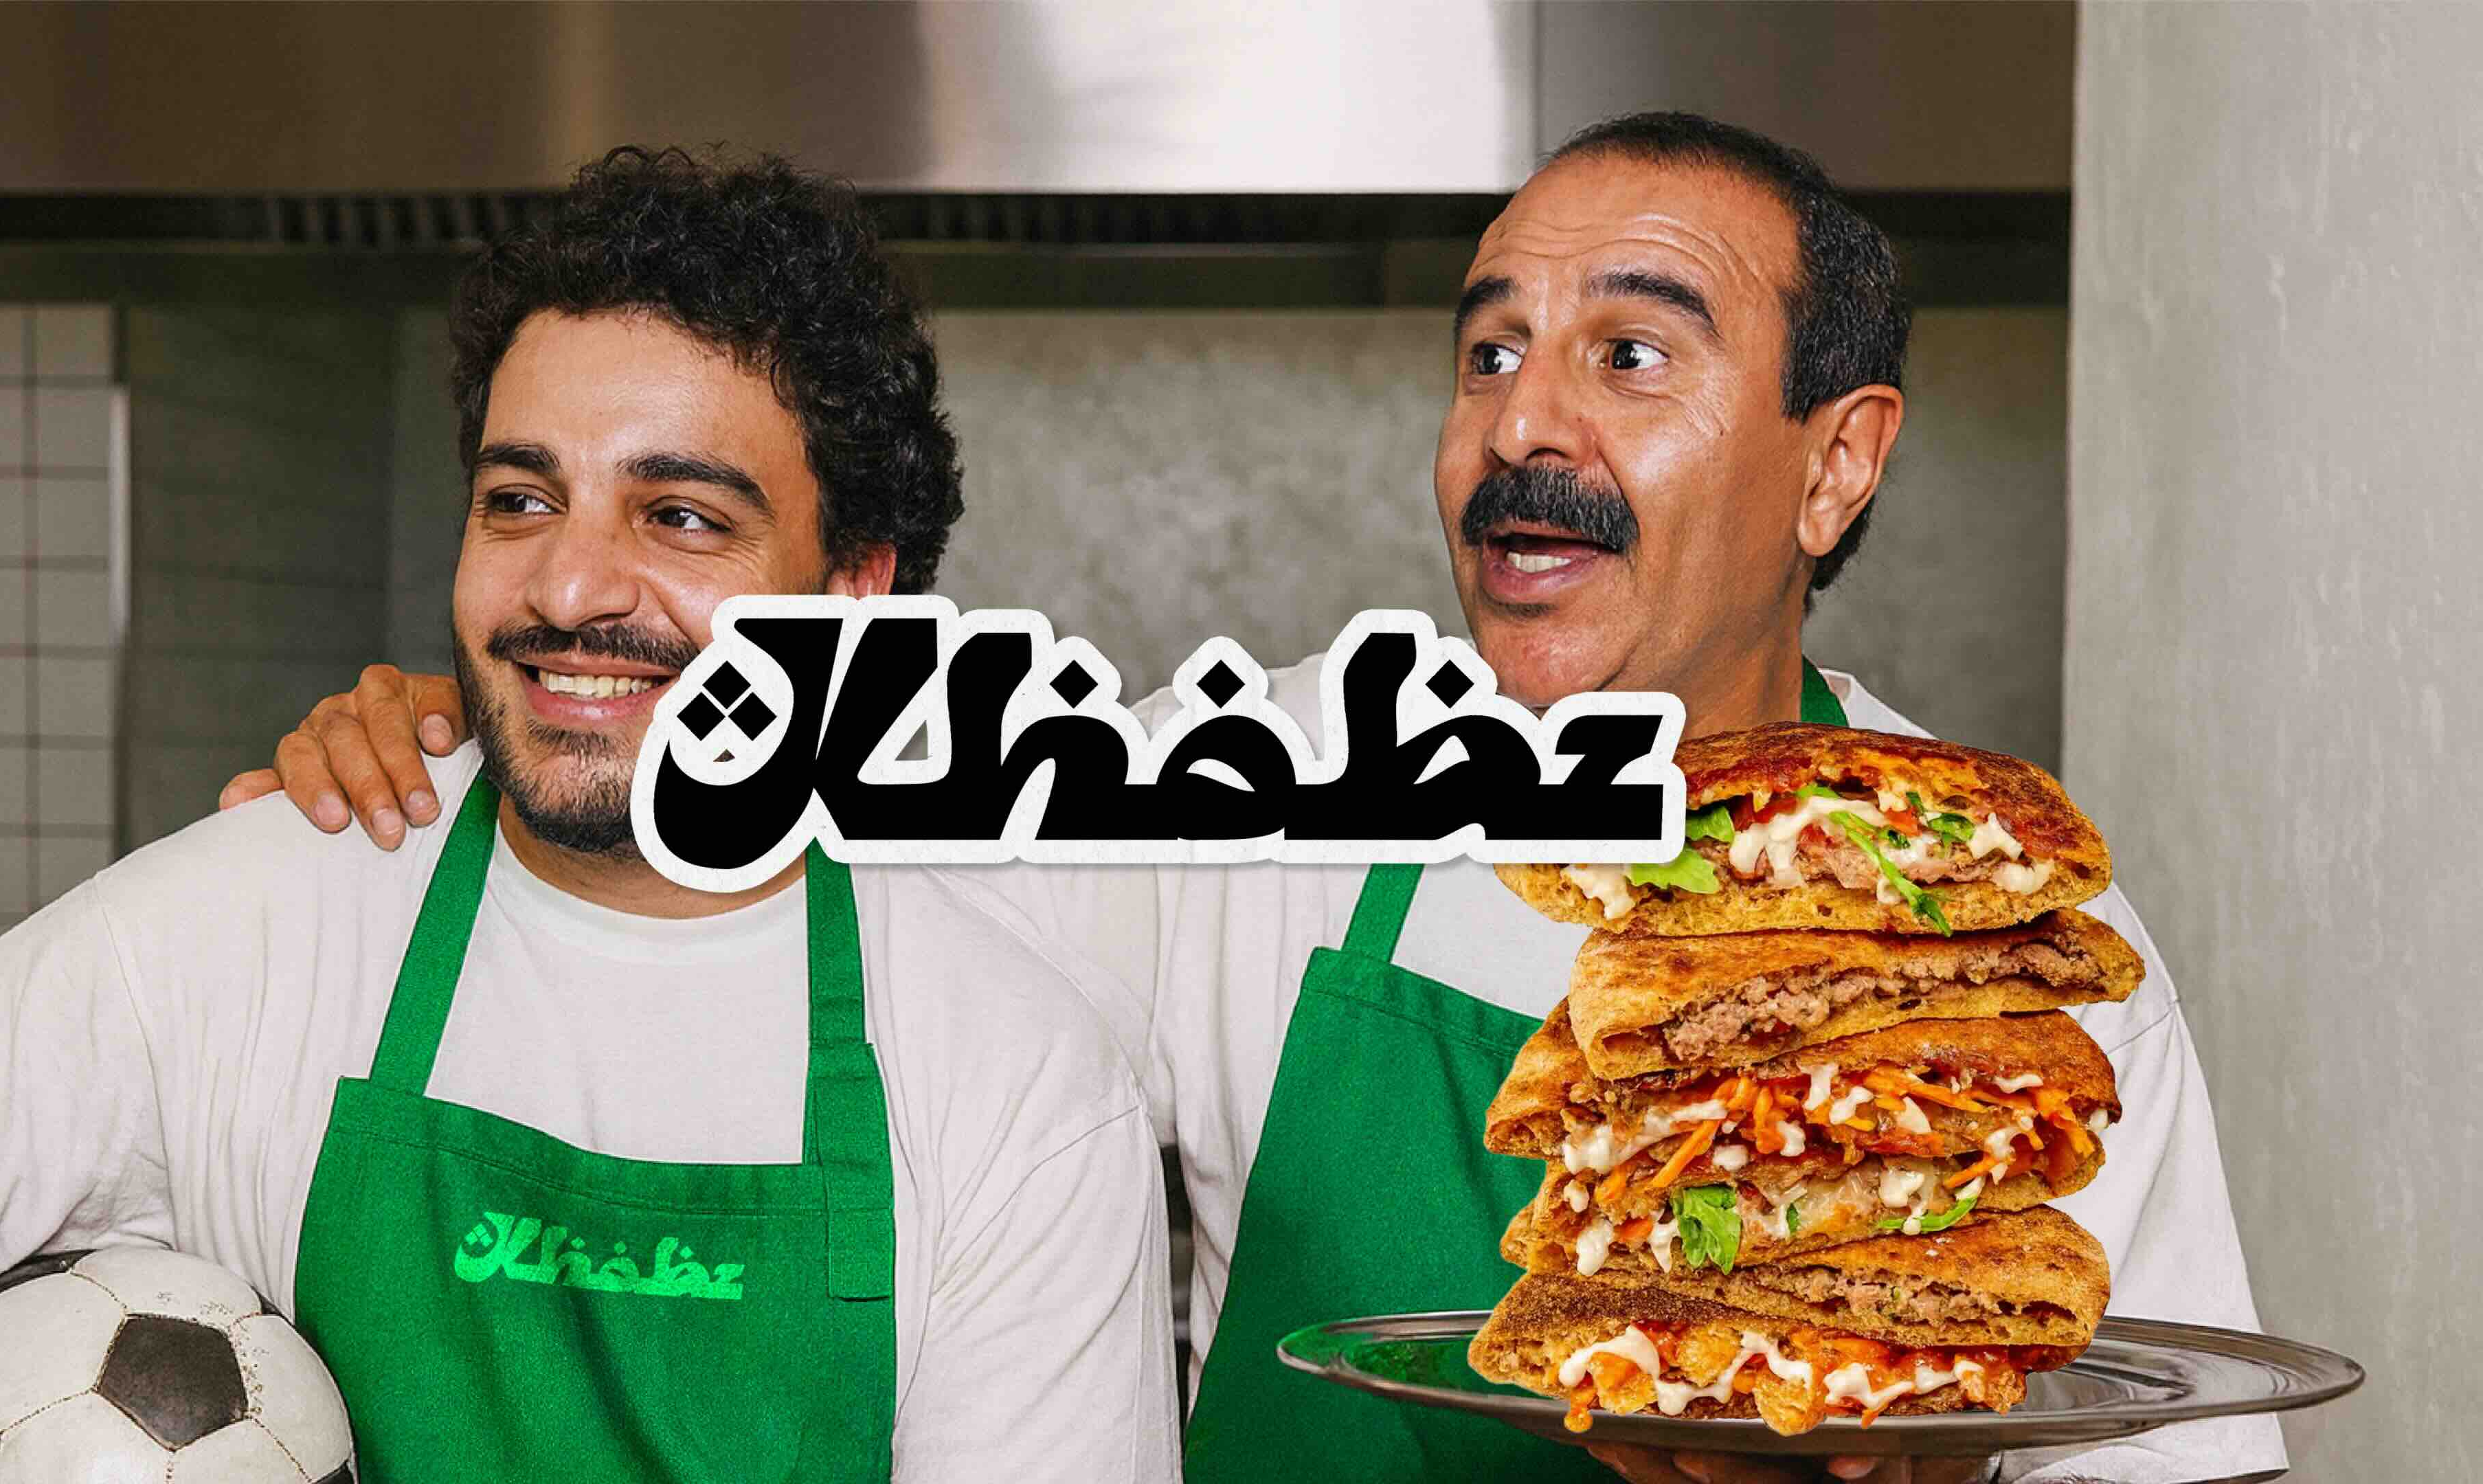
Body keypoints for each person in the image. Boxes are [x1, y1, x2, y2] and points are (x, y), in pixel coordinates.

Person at [223, 115, 2280, 1484]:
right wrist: (490, 722)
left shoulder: (2000, 956)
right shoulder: (1257, 806)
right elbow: (746, 856)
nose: (1523, 428)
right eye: (1488, 353)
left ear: (1839, 464)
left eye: (1629, 358)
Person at [0, 148, 1177, 1484]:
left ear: (851, 593)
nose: (573, 584)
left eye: (681, 515)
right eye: (521, 500)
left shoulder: (1013, 1083)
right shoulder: (231, 926)